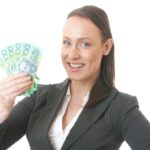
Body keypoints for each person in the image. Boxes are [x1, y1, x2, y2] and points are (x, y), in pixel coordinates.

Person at [0, 5, 150, 150]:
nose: (72, 55)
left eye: (85, 44)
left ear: (106, 47)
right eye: (67, 42)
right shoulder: (38, 97)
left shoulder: (121, 107)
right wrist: (2, 111)